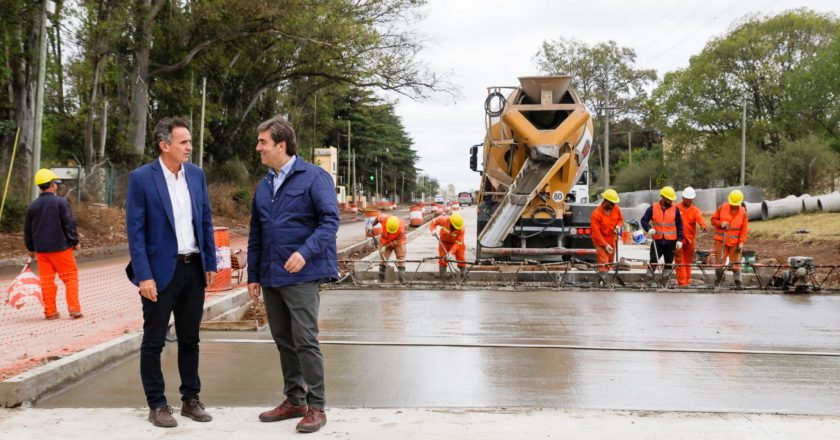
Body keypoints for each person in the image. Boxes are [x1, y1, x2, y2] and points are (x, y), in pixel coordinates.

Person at [247, 116, 338, 433]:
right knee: (284, 341)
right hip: (271, 275)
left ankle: (316, 407)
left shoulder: (314, 177)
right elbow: (256, 232)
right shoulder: (264, 184)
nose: (258, 148)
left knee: (305, 340)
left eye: (263, 142)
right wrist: (253, 274)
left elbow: (330, 221)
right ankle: (294, 400)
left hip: (303, 274)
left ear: (280, 145)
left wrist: (304, 252)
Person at [125, 116, 217, 428]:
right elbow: (135, 232)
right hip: (160, 273)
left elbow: (205, 219)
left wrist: (211, 263)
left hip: (193, 269)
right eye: (183, 142)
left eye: (190, 141)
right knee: (154, 341)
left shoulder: (196, 175)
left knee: (191, 339)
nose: (190, 147)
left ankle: (191, 399)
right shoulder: (142, 178)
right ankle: (157, 404)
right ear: (165, 145)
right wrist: (144, 276)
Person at [24, 168, 81, 320]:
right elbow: (69, 224)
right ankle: (74, 309)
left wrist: (31, 249)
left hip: (42, 252)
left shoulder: (32, 206)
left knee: (47, 282)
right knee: (70, 278)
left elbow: (28, 231)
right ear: (52, 184)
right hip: (61, 249)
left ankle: (50, 312)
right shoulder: (61, 202)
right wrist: (75, 241)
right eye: (55, 182)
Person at [641, 186, 684, 287]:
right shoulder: (653, 207)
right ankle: (647, 284)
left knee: (668, 263)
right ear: (663, 197)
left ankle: (664, 283)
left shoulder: (675, 209)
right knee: (653, 262)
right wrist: (649, 229)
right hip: (657, 241)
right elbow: (643, 220)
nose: (670, 201)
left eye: (671, 199)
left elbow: (680, 225)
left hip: (671, 242)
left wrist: (680, 240)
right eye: (668, 199)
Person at [711, 189, 749, 288]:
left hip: (735, 244)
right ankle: (718, 282)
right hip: (721, 241)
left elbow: (744, 229)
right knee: (719, 263)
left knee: (736, 264)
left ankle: (738, 283)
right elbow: (713, 220)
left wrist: (741, 243)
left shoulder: (743, 212)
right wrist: (721, 223)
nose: (734, 206)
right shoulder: (723, 207)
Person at [675, 187, 708, 287]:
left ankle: (687, 281)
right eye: (687, 199)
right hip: (678, 240)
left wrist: (703, 226)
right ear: (683, 197)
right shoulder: (676, 208)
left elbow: (700, 219)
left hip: (690, 240)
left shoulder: (694, 210)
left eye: (690, 199)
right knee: (680, 262)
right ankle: (682, 283)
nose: (689, 201)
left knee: (688, 262)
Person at [590, 189, 624, 276]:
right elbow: (596, 233)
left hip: (612, 239)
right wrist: (605, 245)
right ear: (606, 201)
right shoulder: (596, 214)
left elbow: (620, 219)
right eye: (612, 203)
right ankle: (603, 283)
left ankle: (603, 280)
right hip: (600, 242)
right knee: (604, 263)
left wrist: (618, 226)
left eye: (614, 203)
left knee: (610, 263)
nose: (614, 205)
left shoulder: (616, 209)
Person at [368, 214, 407, 283]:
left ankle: (402, 279)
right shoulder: (384, 218)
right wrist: (372, 226)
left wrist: (386, 246)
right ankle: (381, 279)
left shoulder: (401, 229)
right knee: (383, 259)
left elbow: (398, 242)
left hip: (398, 242)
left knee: (401, 258)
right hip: (386, 240)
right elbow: (377, 218)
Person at [429, 212, 466, 280]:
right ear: (451, 222)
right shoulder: (444, 220)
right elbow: (433, 222)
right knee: (443, 259)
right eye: (455, 227)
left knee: (461, 258)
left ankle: (463, 276)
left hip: (457, 243)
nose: (456, 229)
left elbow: (458, 243)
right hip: (444, 242)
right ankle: (442, 277)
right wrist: (433, 230)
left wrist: (451, 252)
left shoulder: (461, 229)